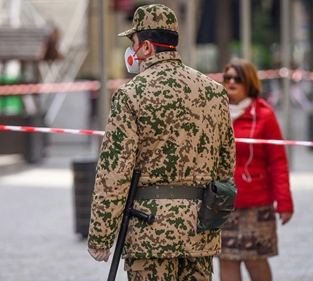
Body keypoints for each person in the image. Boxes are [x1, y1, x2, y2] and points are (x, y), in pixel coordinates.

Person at [87, 4, 236, 281]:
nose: (131, 51)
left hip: (149, 232)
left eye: (133, 42)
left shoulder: (131, 95)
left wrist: (101, 234)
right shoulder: (215, 92)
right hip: (200, 230)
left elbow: (113, 173)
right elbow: (226, 166)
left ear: (145, 48)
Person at [217, 59, 294, 281]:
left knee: (256, 258)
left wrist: (285, 202)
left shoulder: (264, 115)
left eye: (237, 79)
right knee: (226, 258)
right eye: (227, 77)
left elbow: (278, 161)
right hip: (222, 202)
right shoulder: (213, 113)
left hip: (256, 203)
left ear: (249, 83)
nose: (231, 82)